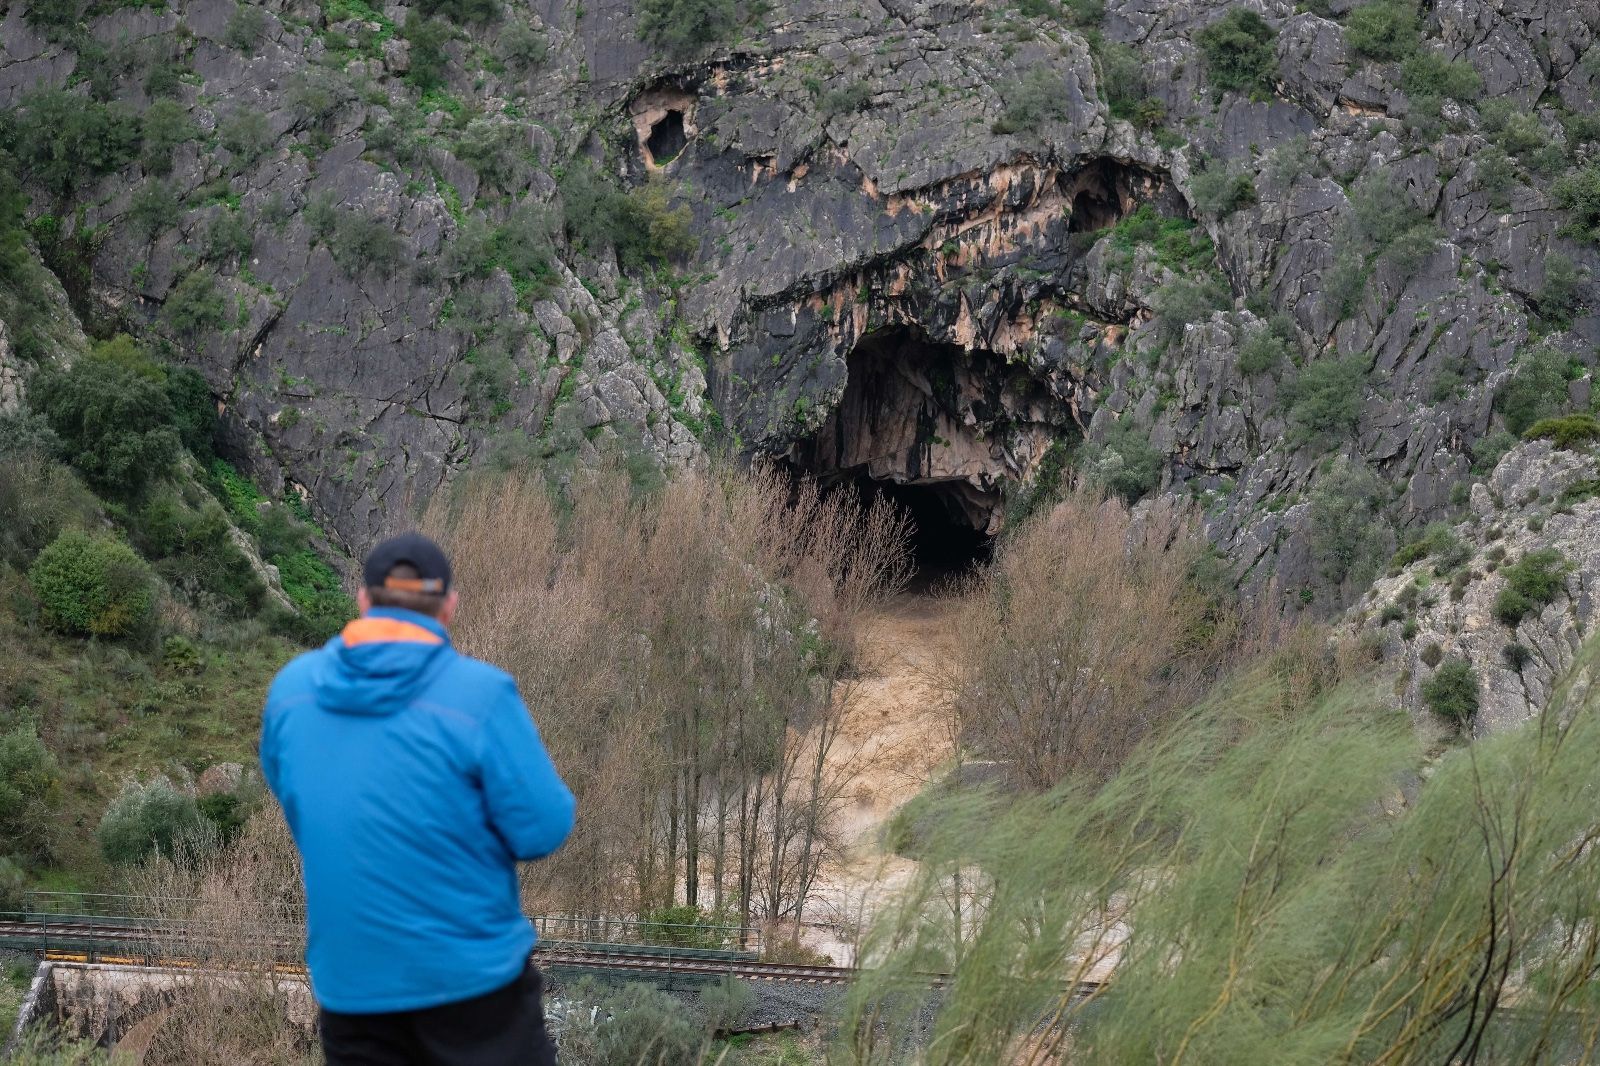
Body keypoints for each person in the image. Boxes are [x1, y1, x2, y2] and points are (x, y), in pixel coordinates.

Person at [261, 531, 576, 1066]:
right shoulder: (480, 695)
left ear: (363, 601)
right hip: (473, 986)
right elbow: (543, 829)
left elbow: (299, 803)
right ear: (448, 607)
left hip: (350, 990)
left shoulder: (291, 692)